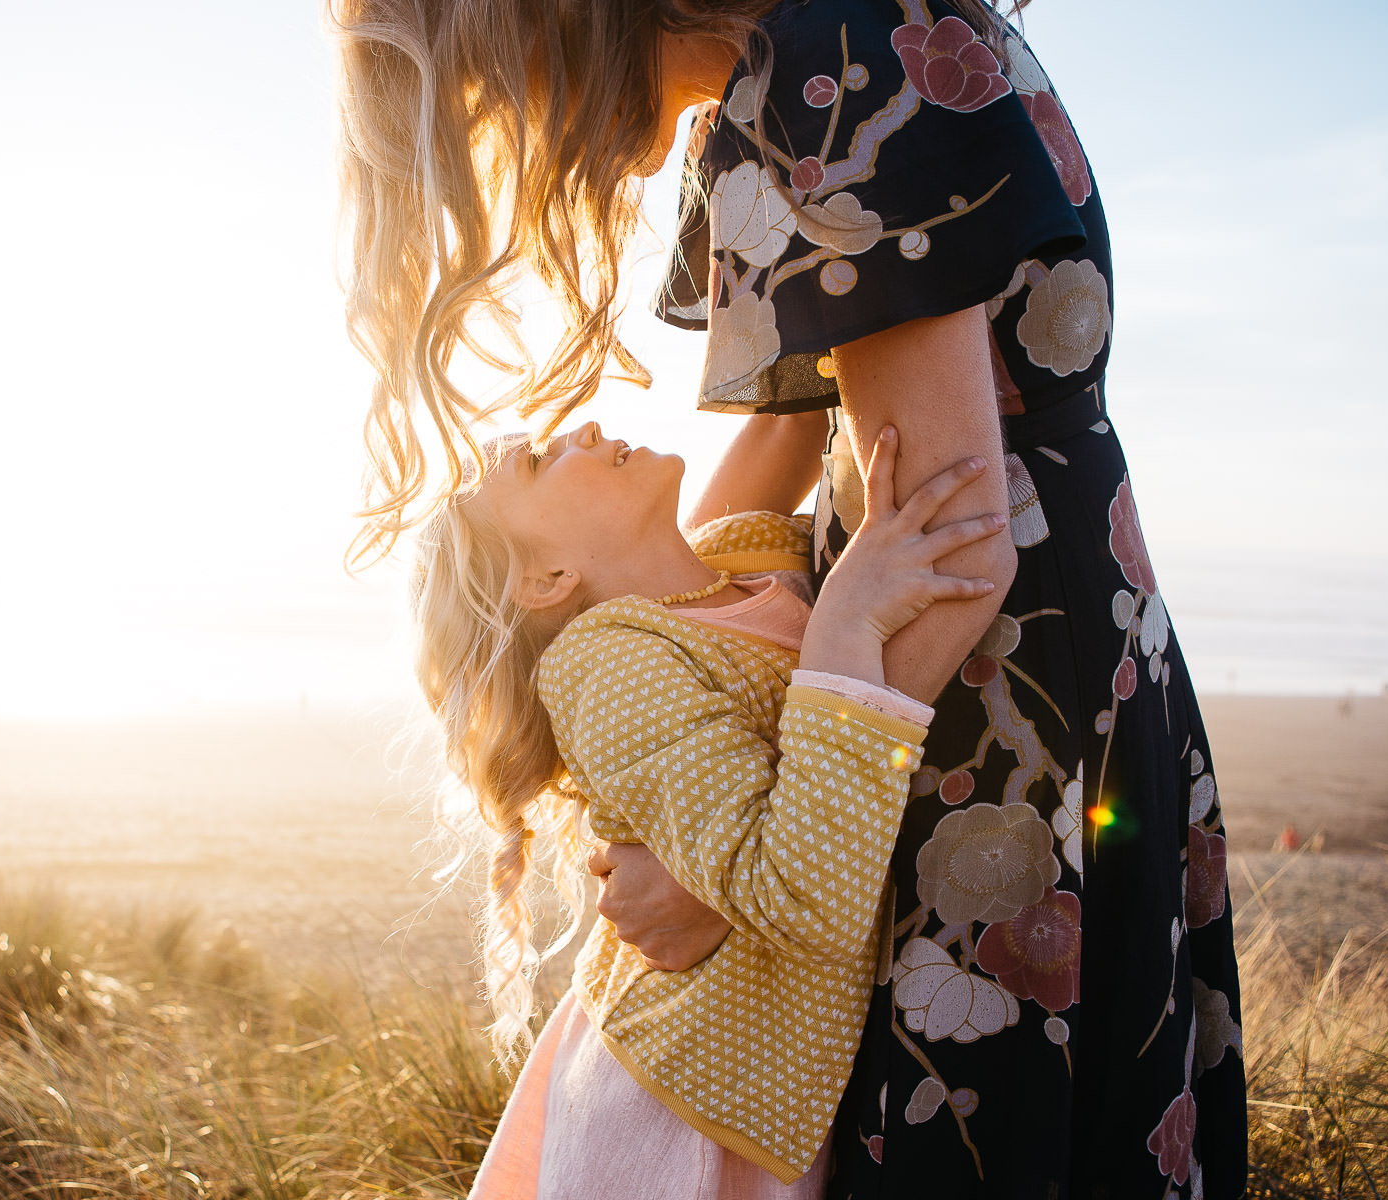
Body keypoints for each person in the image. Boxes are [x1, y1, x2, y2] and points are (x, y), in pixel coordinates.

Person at [333, 1, 1246, 1196]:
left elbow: (959, 539)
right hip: (970, 659)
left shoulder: (828, 66)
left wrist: (745, 878)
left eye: (490, 100)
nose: (519, 138)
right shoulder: (789, 77)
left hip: (978, 684)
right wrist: (699, 801)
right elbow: (783, 439)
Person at [411, 417, 1003, 1196]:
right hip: (680, 1119)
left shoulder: (743, 565)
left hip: (742, 1093)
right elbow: (803, 898)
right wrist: (847, 627)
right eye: (538, 461)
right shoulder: (607, 662)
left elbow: (785, 425)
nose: (582, 429)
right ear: (545, 578)